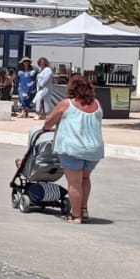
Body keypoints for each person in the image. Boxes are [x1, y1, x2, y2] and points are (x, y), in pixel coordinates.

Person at [42, 74, 105, 223]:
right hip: (94, 149)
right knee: (85, 178)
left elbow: (49, 122)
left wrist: (46, 128)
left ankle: (76, 215)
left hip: (73, 148)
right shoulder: (97, 104)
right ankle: (83, 209)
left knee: (74, 183)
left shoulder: (66, 104)